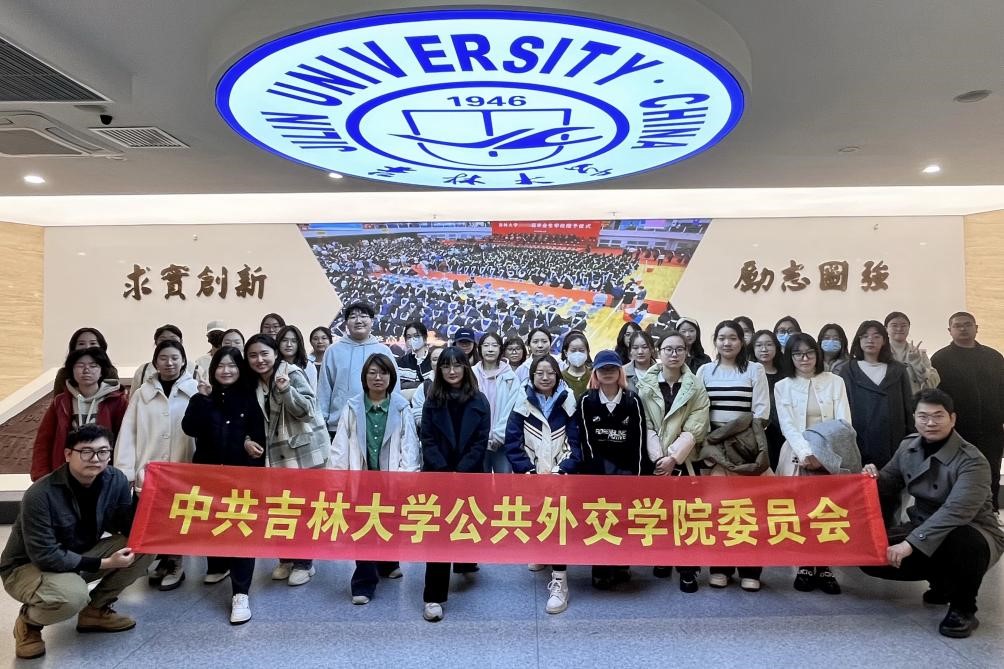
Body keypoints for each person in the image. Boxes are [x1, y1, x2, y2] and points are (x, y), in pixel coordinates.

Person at [1, 425, 154, 659]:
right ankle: (29, 622)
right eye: (86, 452)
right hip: (27, 567)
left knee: (143, 546)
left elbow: (128, 528)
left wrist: (141, 497)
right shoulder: (40, 494)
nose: (95, 459)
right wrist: (104, 563)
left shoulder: (115, 480)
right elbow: (45, 556)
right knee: (72, 596)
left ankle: (95, 611)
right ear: (68, 454)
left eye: (103, 452)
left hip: (77, 555)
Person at [861, 389, 1004, 639]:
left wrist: (910, 544)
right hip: (922, 524)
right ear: (914, 418)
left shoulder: (972, 460)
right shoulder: (908, 446)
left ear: (952, 418)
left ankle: (963, 609)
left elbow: (956, 511)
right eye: (923, 416)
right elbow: (889, 482)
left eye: (938, 416)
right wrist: (871, 477)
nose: (930, 423)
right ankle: (942, 582)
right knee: (869, 554)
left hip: (973, 531)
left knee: (962, 541)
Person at [181, 347, 266, 624]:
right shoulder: (204, 398)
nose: (226, 370)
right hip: (208, 476)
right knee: (213, 526)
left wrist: (248, 443)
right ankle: (217, 565)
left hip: (241, 479)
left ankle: (240, 593)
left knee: (241, 532)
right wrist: (202, 399)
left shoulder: (250, 398)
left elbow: (258, 436)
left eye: (232, 365)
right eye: (220, 365)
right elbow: (190, 428)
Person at [331, 353, 420, 604]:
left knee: (389, 523)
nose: (377, 377)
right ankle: (363, 582)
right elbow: (340, 446)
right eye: (372, 372)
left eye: (383, 373)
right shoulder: (352, 407)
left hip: (390, 480)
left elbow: (409, 446)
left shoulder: (401, 407)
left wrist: (407, 478)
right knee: (363, 529)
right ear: (364, 377)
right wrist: (336, 480)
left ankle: (388, 562)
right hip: (361, 479)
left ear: (391, 377)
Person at [246, 334, 329, 586]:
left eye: (264, 353)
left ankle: (304, 563)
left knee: (301, 508)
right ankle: (285, 558)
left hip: (301, 453)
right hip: (273, 454)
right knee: (278, 507)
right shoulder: (253, 382)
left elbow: (307, 410)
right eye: (253, 355)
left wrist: (286, 390)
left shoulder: (290, 373)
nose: (259, 360)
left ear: (275, 353)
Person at [114, 339, 197, 591]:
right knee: (155, 518)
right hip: (151, 468)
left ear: (183, 361)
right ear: (155, 362)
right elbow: (128, 433)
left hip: (184, 467)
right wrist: (125, 470)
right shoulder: (142, 394)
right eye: (163, 358)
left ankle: (176, 563)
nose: (169, 363)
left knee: (179, 518)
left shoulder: (195, 390)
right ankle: (160, 561)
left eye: (174, 358)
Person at [774, 333, 853, 594]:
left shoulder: (835, 381)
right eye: (797, 354)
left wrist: (822, 455)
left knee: (827, 511)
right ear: (790, 357)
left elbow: (843, 422)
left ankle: (825, 566)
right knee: (801, 511)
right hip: (797, 455)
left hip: (830, 453)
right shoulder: (783, 386)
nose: (804, 358)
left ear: (817, 355)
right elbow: (787, 425)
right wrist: (807, 453)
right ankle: (805, 565)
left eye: (809, 352)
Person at [696, 320, 770, 591]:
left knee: (749, 512)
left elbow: (761, 412)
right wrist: (712, 444)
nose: (727, 343)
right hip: (714, 449)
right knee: (719, 511)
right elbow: (699, 409)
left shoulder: (754, 369)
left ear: (742, 341)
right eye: (721, 338)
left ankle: (751, 569)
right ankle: (720, 568)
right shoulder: (705, 371)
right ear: (715, 341)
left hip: (745, 448)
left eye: (733, 338)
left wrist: (739, 441)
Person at [419, 347, 491, 622]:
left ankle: (465, 561)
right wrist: (444, 471)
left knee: (465, 524)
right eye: (446, 366)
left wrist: (461, 472)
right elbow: (427, 439)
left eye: (457, 365)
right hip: (438, 477)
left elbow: (480, 442)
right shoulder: (432, 400)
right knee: (437, 536)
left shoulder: (480, 401)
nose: (452, 371)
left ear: (465, 368)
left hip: (469, 476)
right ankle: (433, 597)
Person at [505, 354, 581, 615]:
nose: (545, 377)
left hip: (561, 477)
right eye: (540, 373)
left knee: (559, 525)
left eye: (550, 373)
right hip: (532, 476)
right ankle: (541, 552)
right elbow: (513, 441)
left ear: (558, 375)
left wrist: (562, 470)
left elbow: (576, 442)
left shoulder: (568, 401)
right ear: (532, 376)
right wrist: (527, 470)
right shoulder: (522, 400)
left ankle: (560, 583)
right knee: (537, 518)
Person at [576, 350, 653, 590]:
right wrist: (596, 476)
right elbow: (586, 441)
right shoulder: (586, 401)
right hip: (597, 475)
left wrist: (636, 477)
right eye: (603, 369)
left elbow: (639, 441)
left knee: (622, 521)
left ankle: (622, 565)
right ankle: (599, 569)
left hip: (626, 473)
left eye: (612, 368)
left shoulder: (632, 400)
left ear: (620, 371)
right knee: (599, 520)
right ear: (595, 373)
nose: (607, 372)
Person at [932, 311, 1004, 510]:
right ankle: (957, 515)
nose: (963, 328)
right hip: (956, 429)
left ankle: (990, 513)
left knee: (990, 471)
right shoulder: (940, 359)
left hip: (991, 429)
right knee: (955, 472)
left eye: (967, 324)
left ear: (976, 328)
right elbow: (935, 396)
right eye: (957, 325)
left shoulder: (994, 357)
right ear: (950, 330)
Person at [32, 348, 128, 481]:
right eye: (80, 365)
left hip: (104, 473)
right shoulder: (61, 402)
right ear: (72, 370)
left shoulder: (116, 401)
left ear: (102, 371)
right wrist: (41, 475)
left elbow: (125, 441)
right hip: (65, 473)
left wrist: (122, 475)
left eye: (93, 365)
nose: (86, 370)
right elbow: (44, 440)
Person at [840, 321, 913, 472]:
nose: (870, 340)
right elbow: (843, 407)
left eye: (876, 336)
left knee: (890, 480)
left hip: (893, 439)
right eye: (865, 336)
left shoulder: (898, 369)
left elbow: (908, 407)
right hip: (860, 437)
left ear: (884, 340)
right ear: (858, 340)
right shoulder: (848, 370)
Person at [318, 302, 398, 437]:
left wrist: (394, 418)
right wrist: (322, 422)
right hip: (339, 425)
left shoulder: (383, 351)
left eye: (363, 316)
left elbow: (394, 388)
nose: (358, 320)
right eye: (353, 317)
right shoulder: (333, 351)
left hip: (376, 424)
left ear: (372, 321)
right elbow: (324, 390)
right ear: (346, 323)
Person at [471, 333, 521, 474]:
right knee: (479, 481)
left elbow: (512, 408)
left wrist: (499, 436)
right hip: (476, 441)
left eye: (494, 345)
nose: (490, 349)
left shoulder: (510, 377)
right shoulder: (471, 374)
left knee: (504, 481)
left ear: (500, 349)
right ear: (480, 349)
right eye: (486, 345)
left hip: (502, 441)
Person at [749, 330, 786, 470]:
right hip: (757, 431)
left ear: (776, 347)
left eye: (769, 344)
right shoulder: (748, 373)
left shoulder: (786, 373)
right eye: (759, 345)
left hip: (782, 429)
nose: (764, 349)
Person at [51, 328, 120, 396]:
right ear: (74, 347)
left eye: (93, 343)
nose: (87, 347)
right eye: (81, 344)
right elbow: (57, 399)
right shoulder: (63, 374)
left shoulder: (110, 372)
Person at [885, 312, 940, 394]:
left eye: (903, 325)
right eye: (894, 325)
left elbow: (933, 383)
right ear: (886, 329)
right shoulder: (879, 353)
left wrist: (917, 364)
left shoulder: (919, 353)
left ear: (909, 328)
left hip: (913, 399)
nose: (899, 329)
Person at [130, 324, 183, 391]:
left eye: (173, 340)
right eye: (163, 340)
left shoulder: (193, 369)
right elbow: (134, 396)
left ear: (181, 342)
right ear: (156, 343)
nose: (168, 344)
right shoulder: (143, 370)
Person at [410, 346, 444, 430]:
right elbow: (417, 414)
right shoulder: (424, 387)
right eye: (435, 359)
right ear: (431, 364)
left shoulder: (456, 383)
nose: (439, 362)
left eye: (442, 359)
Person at [276, 325, 318, 390]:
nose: (289, 344)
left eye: (294, 341)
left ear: (299, 343)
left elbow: (312, 393)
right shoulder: (272, 365)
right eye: (284, 340)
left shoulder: (308, 366)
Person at [397, 320, 432, 390]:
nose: (413, 339)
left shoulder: (434, 360)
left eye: (416, 336)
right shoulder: (400, 363)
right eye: (409, 337)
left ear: (425, 338)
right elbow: (399, 386)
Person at [560, 331, 592, 401]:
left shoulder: (594, 375)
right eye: (573, 350)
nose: (577, 354)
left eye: (581, 350)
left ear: (587, 352)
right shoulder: (560, 378)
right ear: (566, 353)